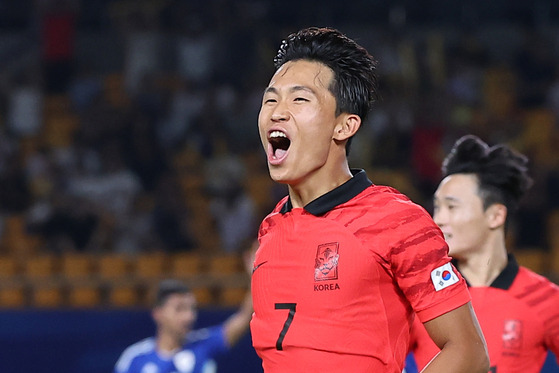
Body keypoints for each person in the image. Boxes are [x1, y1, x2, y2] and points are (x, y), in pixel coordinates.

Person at [250, 26, 489, 373]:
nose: (277, 112)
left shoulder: (395, 220)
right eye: (270, 99)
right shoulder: (270, 229)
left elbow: (468, 353)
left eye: (299, 99)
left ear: (344, 126)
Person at [407, 135, 559, 372]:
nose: (438, 219)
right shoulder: (419, 299)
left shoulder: (547, 300)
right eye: (437, 207)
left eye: (451, 207)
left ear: (495, 216)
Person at [114, 246, 255, 373]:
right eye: (179, 309)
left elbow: (244, 317)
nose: (188, 316)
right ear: (158, 313)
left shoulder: (203, 344)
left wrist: (255, 276)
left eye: (191, 309)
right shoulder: (135, 358)